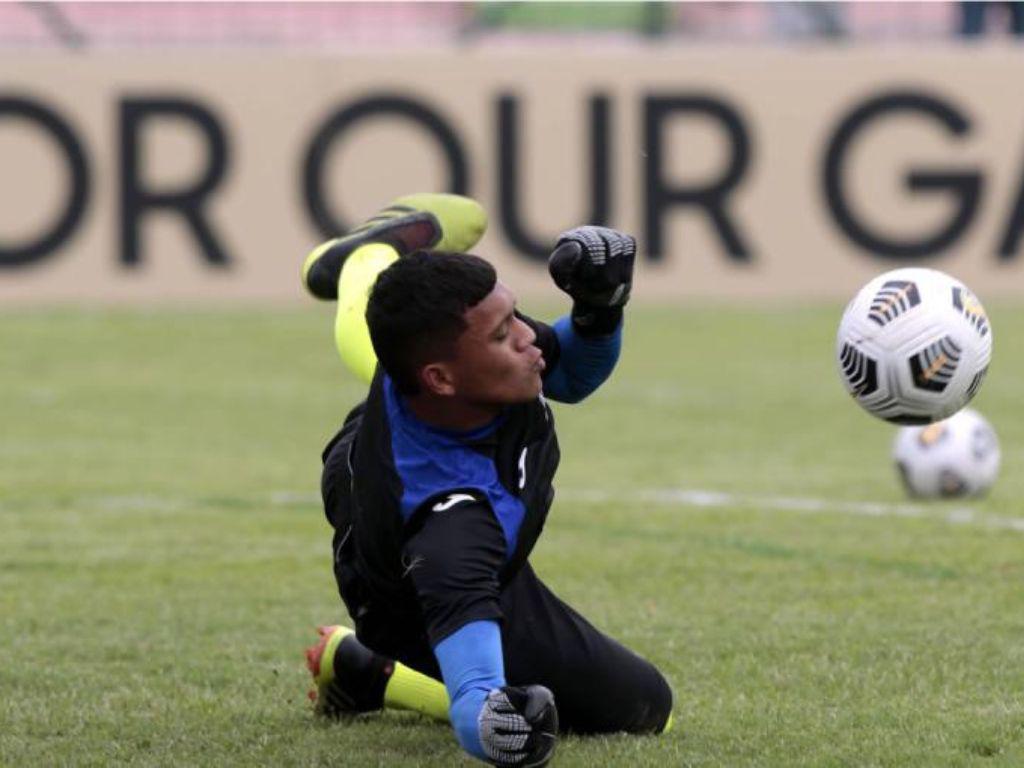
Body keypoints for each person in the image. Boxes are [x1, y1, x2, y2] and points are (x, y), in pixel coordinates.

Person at [300, 193, 673, 767]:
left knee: (380, 342)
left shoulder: (465, 372)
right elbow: (479, 699)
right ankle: (367, 668)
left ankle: (366, 260)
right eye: (503, 335)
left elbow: (572, 373)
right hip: (406, 596)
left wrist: (601, 306)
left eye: (514, 314)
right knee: (646, 705)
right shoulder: (455, 530)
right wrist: (496, 728)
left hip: (386, 442)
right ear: (445, 378)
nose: (528, 337)